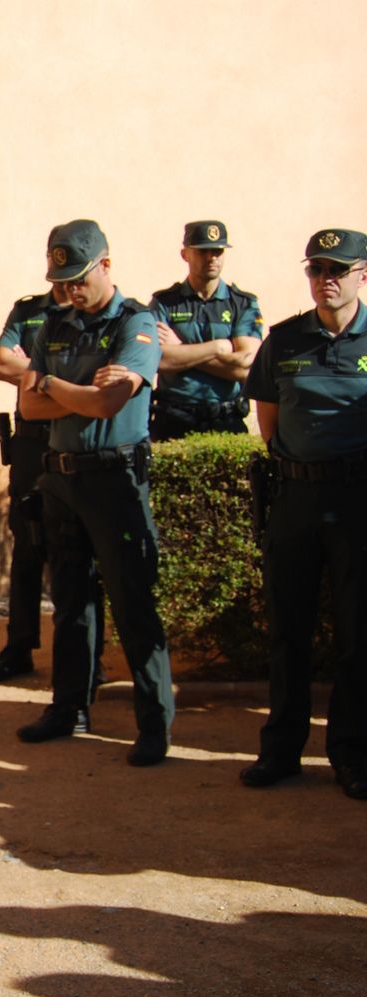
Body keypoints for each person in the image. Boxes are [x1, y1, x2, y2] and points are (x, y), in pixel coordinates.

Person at [15, 219, 175, 767]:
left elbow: (111, 404)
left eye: (77, 279)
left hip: (113, 481)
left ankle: (153, 723)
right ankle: (68, 708)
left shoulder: (137, 325)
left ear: (106, 265)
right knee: (70, 604)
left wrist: (50, 385)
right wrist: (72, 390)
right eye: (60, 280)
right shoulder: (54, 324)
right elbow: (27, 408)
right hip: (62, 479)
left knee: (133, 604)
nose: (67, 290)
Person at [239, 228, 367, 799]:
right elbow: (269, 420)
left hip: (359, 499)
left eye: (337, 268)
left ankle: (352, 754)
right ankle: (280, 751)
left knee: (358, 635)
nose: (325, 278)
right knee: (287, 630)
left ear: (363, 273)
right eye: (316, 269)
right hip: (294, 499)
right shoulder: (285, 339)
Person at [0, 239, 106, 686]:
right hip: (33, 441)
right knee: (28, 543)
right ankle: (19, 646)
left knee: (87, 548)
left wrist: (41, 377)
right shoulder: (28, 312)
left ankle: (91, 657)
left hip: (80, 442)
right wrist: (73, 382)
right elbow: (1, 364)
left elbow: (106, 381)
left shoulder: (104, 314)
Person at [148, 221, 264, 441]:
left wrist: (181, 350)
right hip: (173, 420)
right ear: (185, 254)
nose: (211, 258)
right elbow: (157, 360)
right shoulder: (165, 302)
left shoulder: (242, 303)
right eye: (203, 251)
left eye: (218, 251)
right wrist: (218, 348)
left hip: (225, 419)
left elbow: (244, 367)